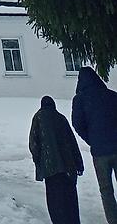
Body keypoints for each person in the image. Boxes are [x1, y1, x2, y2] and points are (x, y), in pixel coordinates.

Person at [29, 95, 84, 224]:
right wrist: (79, 164)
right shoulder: (61, 118)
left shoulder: (38, 118)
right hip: (68, 167)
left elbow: (33, 144)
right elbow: (72, 142)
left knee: (55, 199)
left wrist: (39, 162)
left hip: (50, 168)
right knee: (70, 199)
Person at [72, 67, 117, 224]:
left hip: (99, 153)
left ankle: (113, 220)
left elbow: (77, 124)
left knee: (106, 190)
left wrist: (92, 139)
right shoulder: (112, 96)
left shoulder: (79, 100)